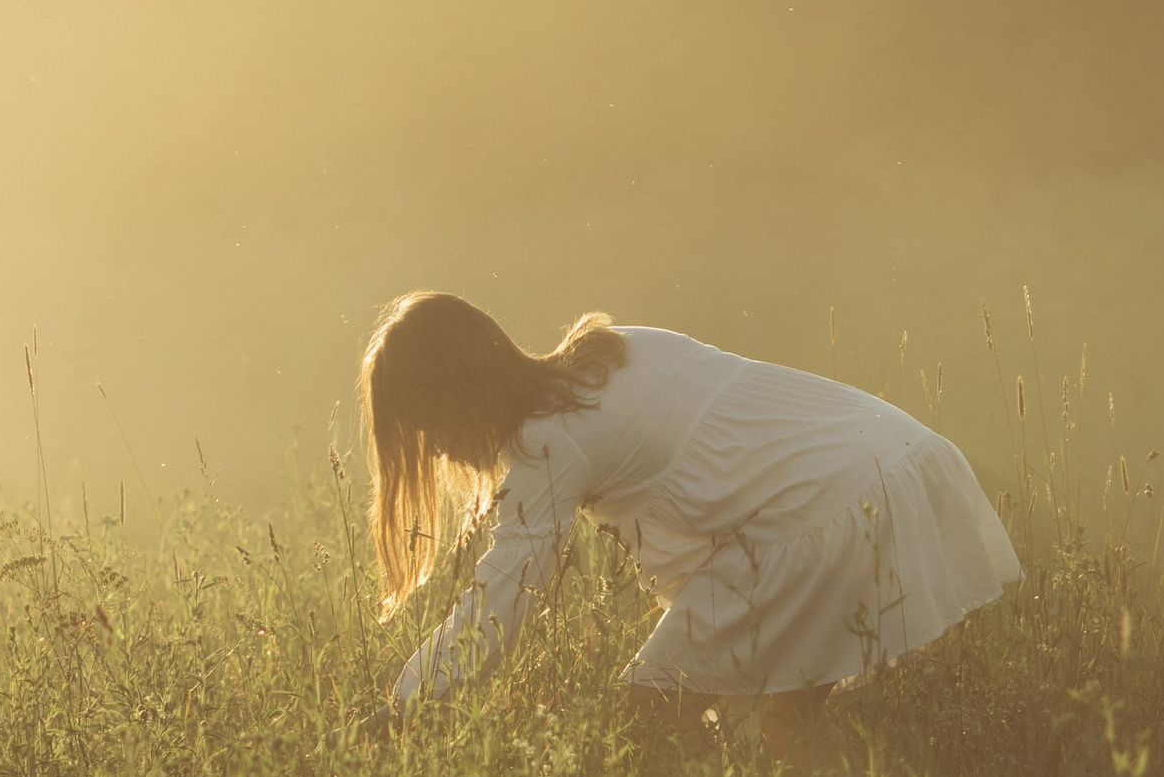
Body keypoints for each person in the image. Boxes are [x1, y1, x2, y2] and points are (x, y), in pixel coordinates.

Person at [362, 293, 1021, 750]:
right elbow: (730, 473)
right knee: (778, 729)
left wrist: (401, 712)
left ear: (455, 395)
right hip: (901, 463)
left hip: (816, 519)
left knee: (651, 720)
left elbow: (498, 605)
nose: (436, 450)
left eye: (425, 427)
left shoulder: (545, 447)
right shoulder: (613, 350)